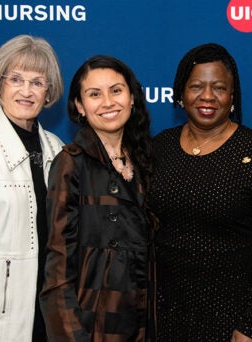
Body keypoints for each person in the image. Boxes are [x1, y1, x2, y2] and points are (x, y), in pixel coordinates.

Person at [149, 43, 252, 341]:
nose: (208, 96)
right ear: (181, 93)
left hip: (232, 318)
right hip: (166, 313)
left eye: (219, 87)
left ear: (232, 97)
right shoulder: (160, 147)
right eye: (197, 86)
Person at [40, 55, 155, 341]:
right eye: (94, 94)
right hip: (94, 325)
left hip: (145, 321)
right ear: (80, 106)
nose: (107, 102)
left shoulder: (147, 160)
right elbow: (58, 270)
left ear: (132, 97)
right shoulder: (71, 163)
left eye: (116, 90)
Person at [0, 35, 64, 341]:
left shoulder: (58, 149)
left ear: (48, 91)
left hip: (48, 309)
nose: (26, 91)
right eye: (16, 79)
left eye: (37, 82)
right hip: (3, 314)